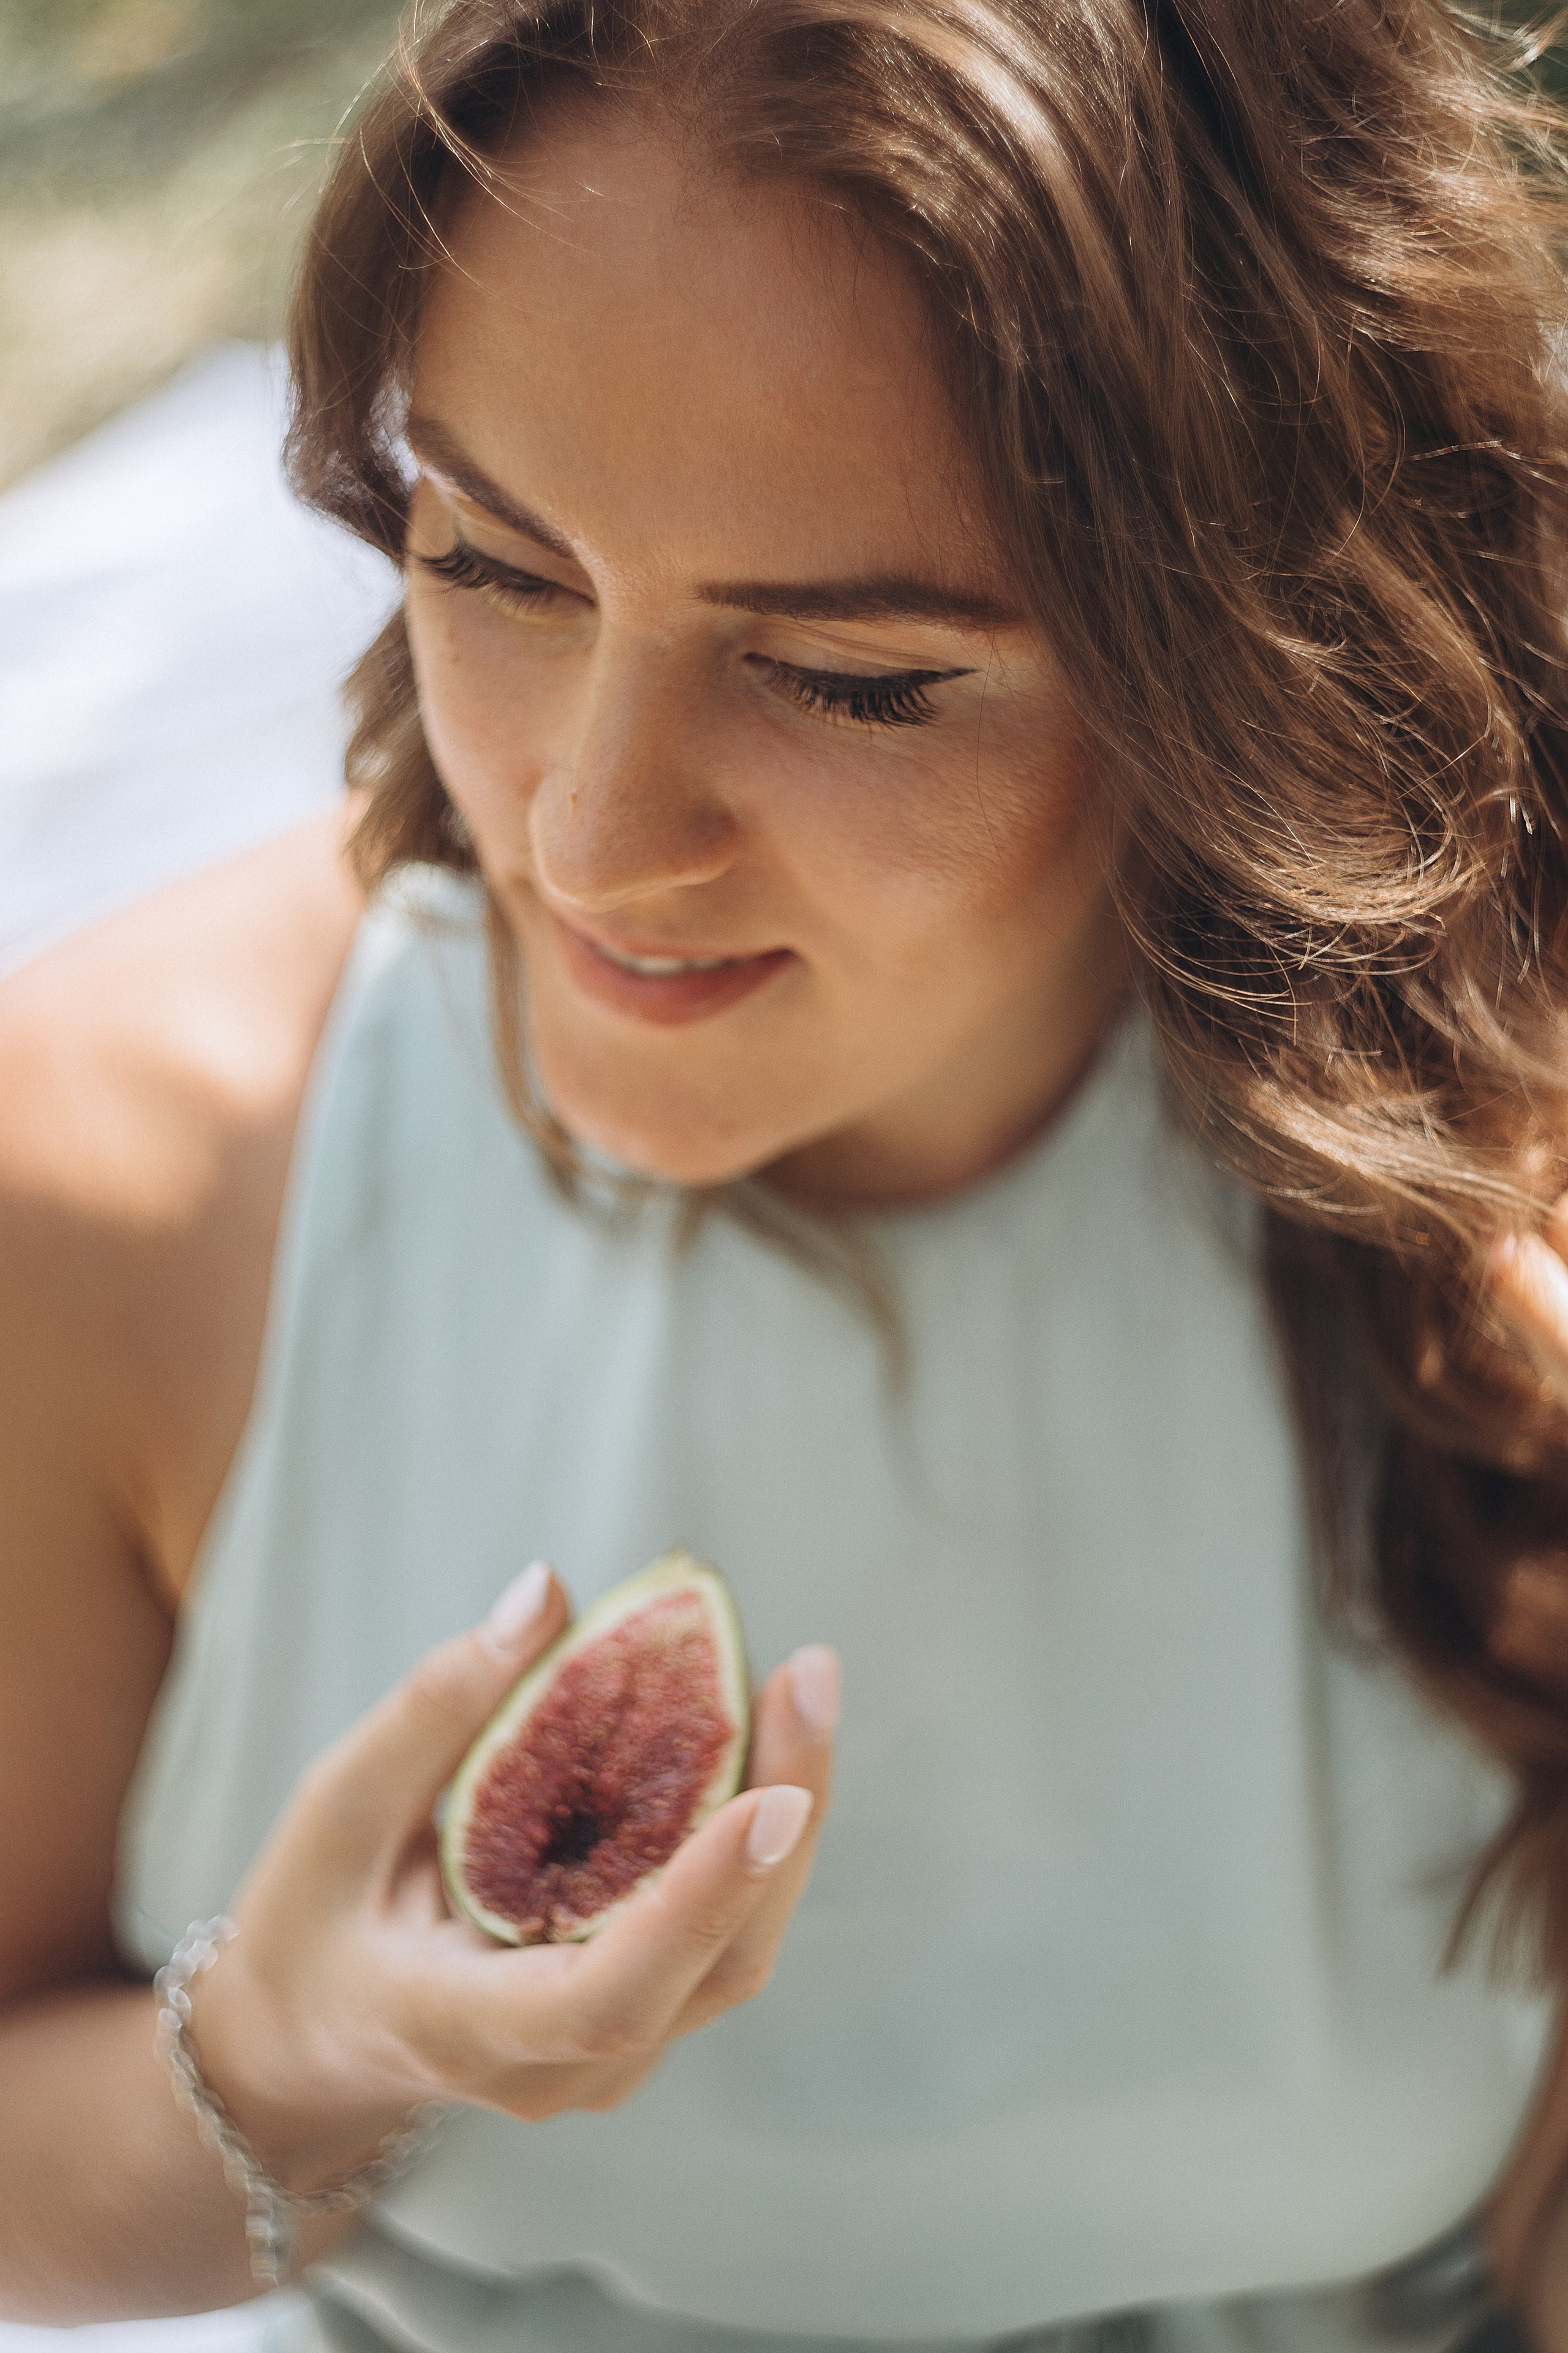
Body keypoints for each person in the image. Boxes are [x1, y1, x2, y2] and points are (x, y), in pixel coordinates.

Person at [6, 0, 1568, 2347]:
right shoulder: (113, 1183)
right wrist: (300, 2060)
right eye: (496, 565)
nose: (588, 830)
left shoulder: (1511, 1191)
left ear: (1251, 661)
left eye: (851, 678)